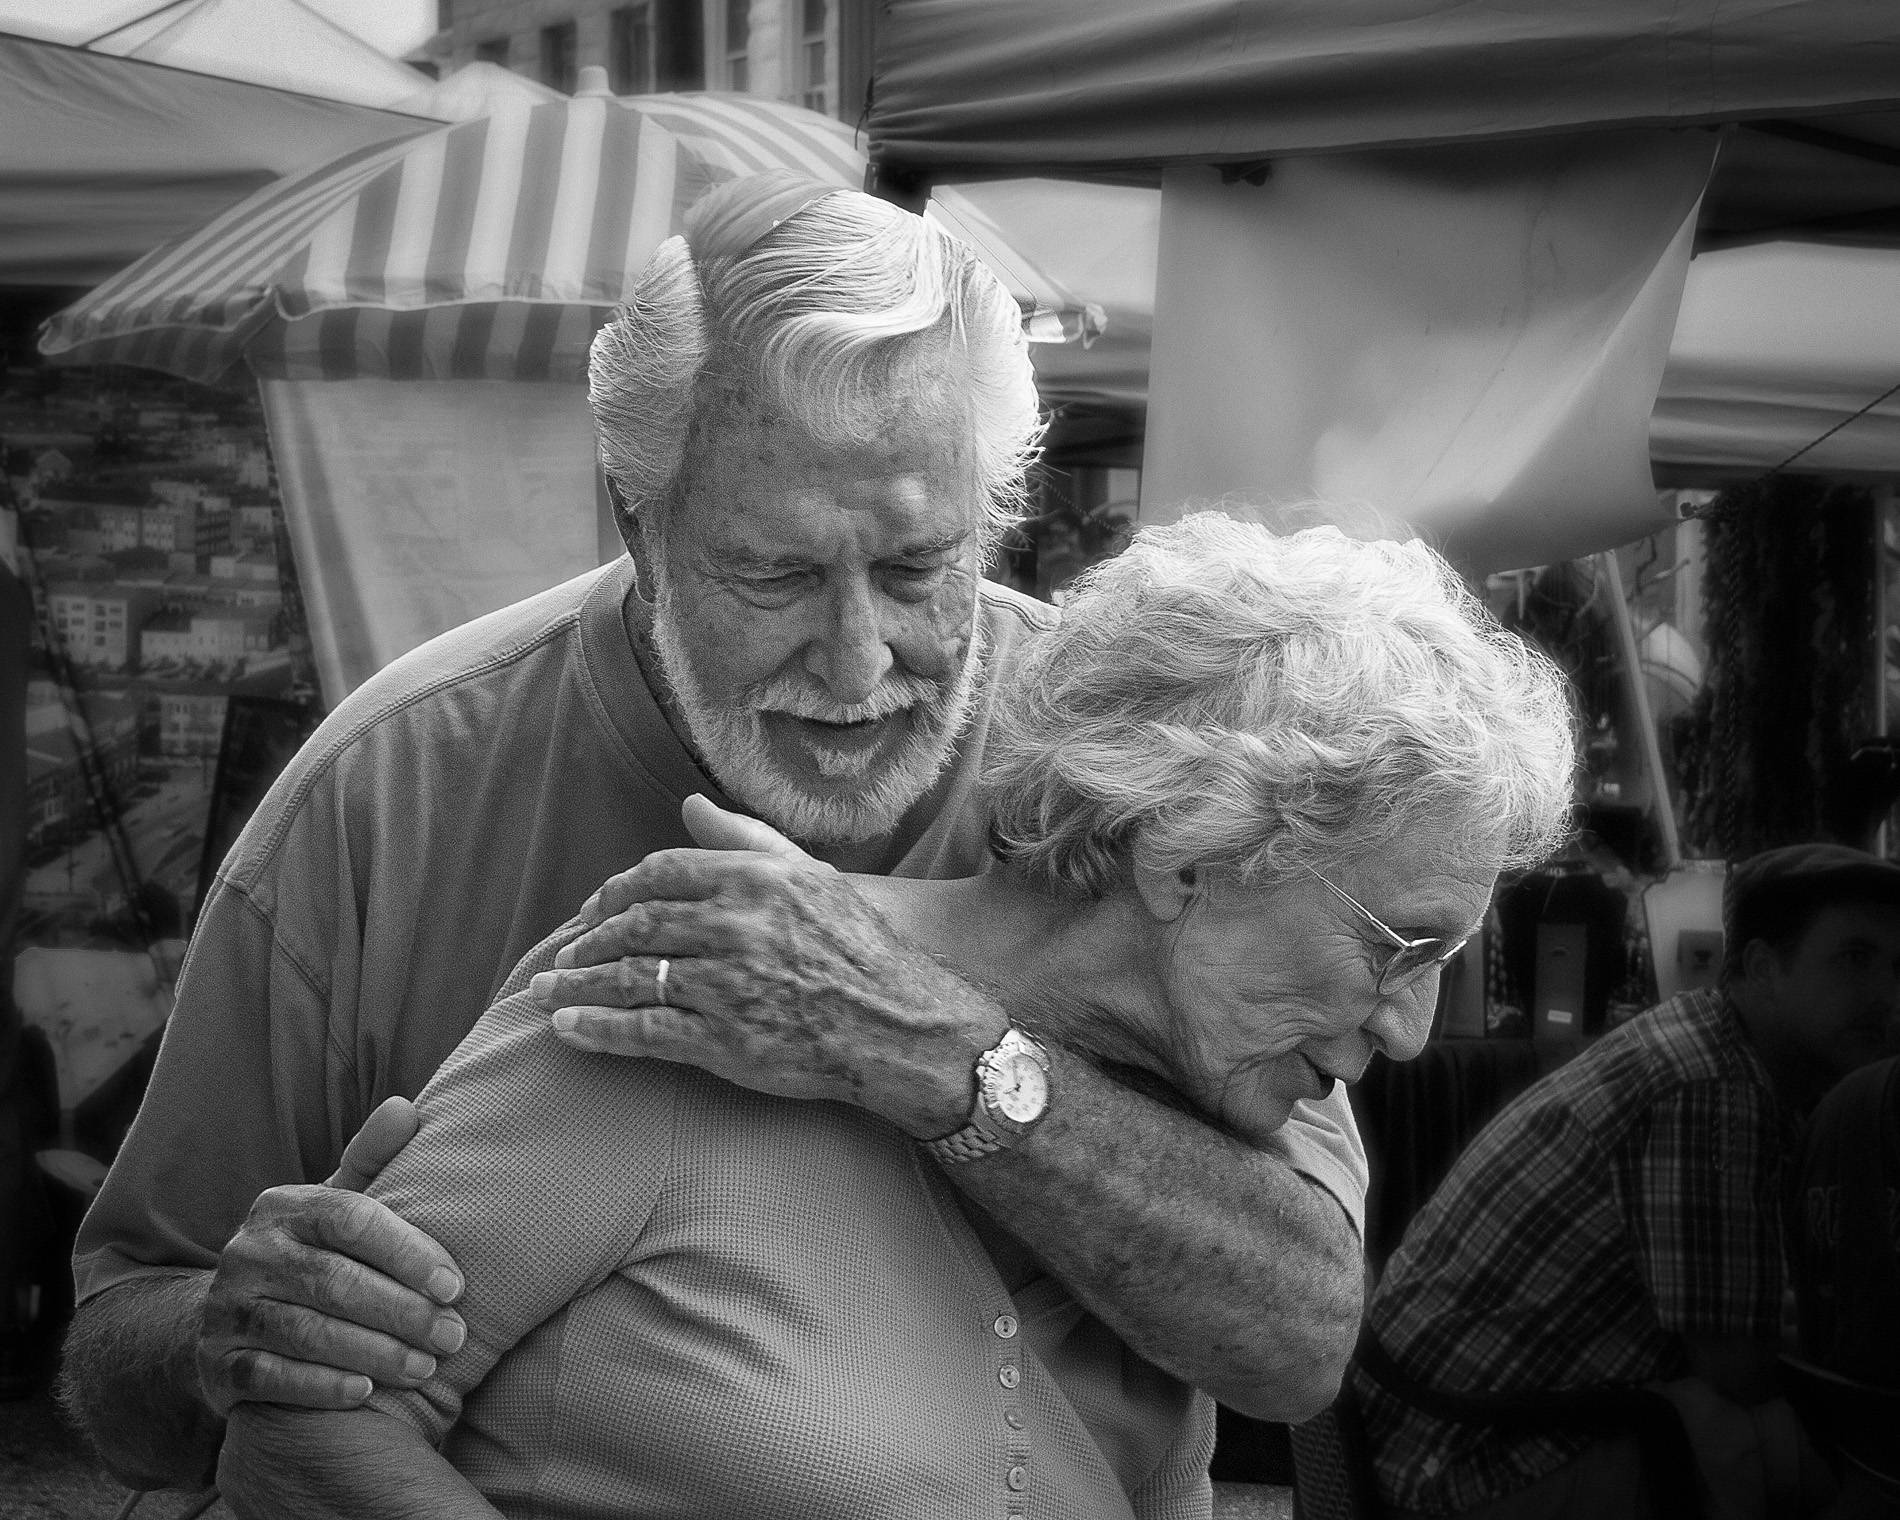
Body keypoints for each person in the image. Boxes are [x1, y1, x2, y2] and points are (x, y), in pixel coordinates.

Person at [66, 173, 1363, 1491]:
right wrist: (221, 1341)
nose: (858, 664)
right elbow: (117, 1372)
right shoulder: (388, 799)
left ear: (990, 510)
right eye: (777, 576)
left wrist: (944, 1051)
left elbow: (1300, 1340)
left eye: (919, 568)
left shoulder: (1130, 764)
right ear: (637, 517)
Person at [213, 515, 1578, 1518]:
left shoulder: (1260, 1092)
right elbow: (305, 1434)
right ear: (1187, 858)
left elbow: (1299, 1348)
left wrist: (962, 1066)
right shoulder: (699, 979)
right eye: (1404, 946)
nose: (1411, 1029)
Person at [1357, 842, 1900, 1520]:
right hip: (1463, 1462)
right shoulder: (1713, 1087)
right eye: (1855, 960)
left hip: (1415, 1423)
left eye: (1899, 966)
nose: (1887, 996)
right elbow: (1737, 1369)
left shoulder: (1707, 1040)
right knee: (1846, 1474)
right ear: (1763, 967)